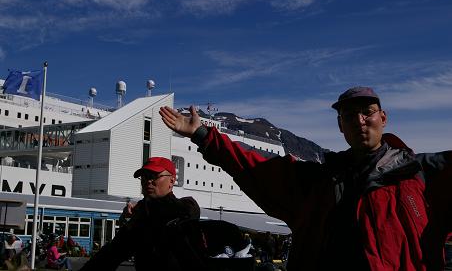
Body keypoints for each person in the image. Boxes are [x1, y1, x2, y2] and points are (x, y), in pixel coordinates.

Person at [159, 86, 452, 271]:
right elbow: (254, 165)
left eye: (367, 113)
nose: (360, 121)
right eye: (350, 116)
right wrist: (201, 134)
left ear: (383, 118)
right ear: (340, 126)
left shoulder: (421, 173)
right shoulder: (317, 182)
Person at [80, 157, 200, 271]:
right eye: (144, 176)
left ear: (172, 180)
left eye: (154, 176)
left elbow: (190, 209)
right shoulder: (140, 217)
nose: (148, 181)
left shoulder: (181, 209)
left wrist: (143, 208)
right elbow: (111, 253)